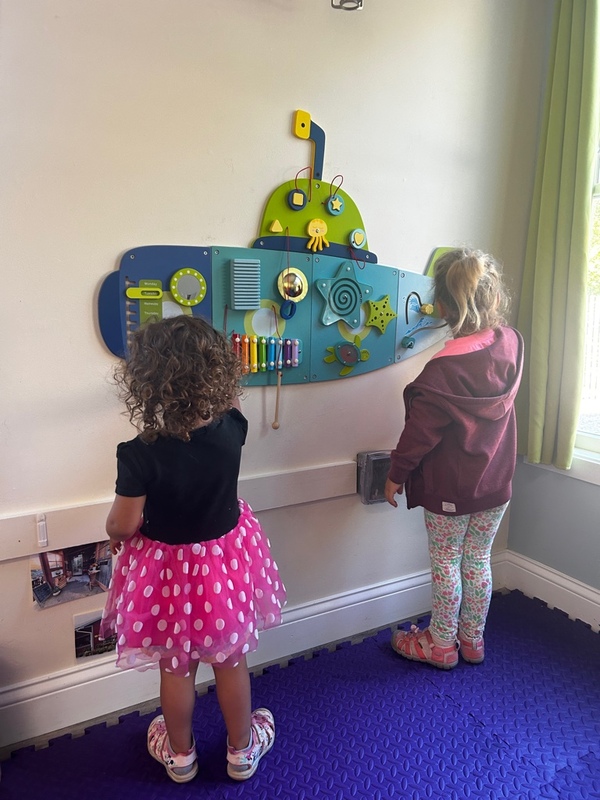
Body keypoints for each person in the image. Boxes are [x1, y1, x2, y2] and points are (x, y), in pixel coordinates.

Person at [100, 314, 286, 783]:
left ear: (147, 382)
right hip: (223, 564)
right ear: (219, 373)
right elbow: (230, 403)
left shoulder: (139, 452)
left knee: (176, 668)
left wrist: (116, 532)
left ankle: (180, 756)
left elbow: (123, 523)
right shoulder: (233, 428)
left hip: (165, 573)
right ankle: (241, 751)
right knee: (231, 660)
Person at [385, 248, 523, 670]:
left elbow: (417, 438)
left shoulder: (440, 373)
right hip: (497, 484)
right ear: (495, 298)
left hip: (452, 489)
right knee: (478, 559)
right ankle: (472, 640)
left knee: (447, 562)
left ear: (441, 306)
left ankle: (441, 644)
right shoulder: (511, 343)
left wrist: (395, 476)